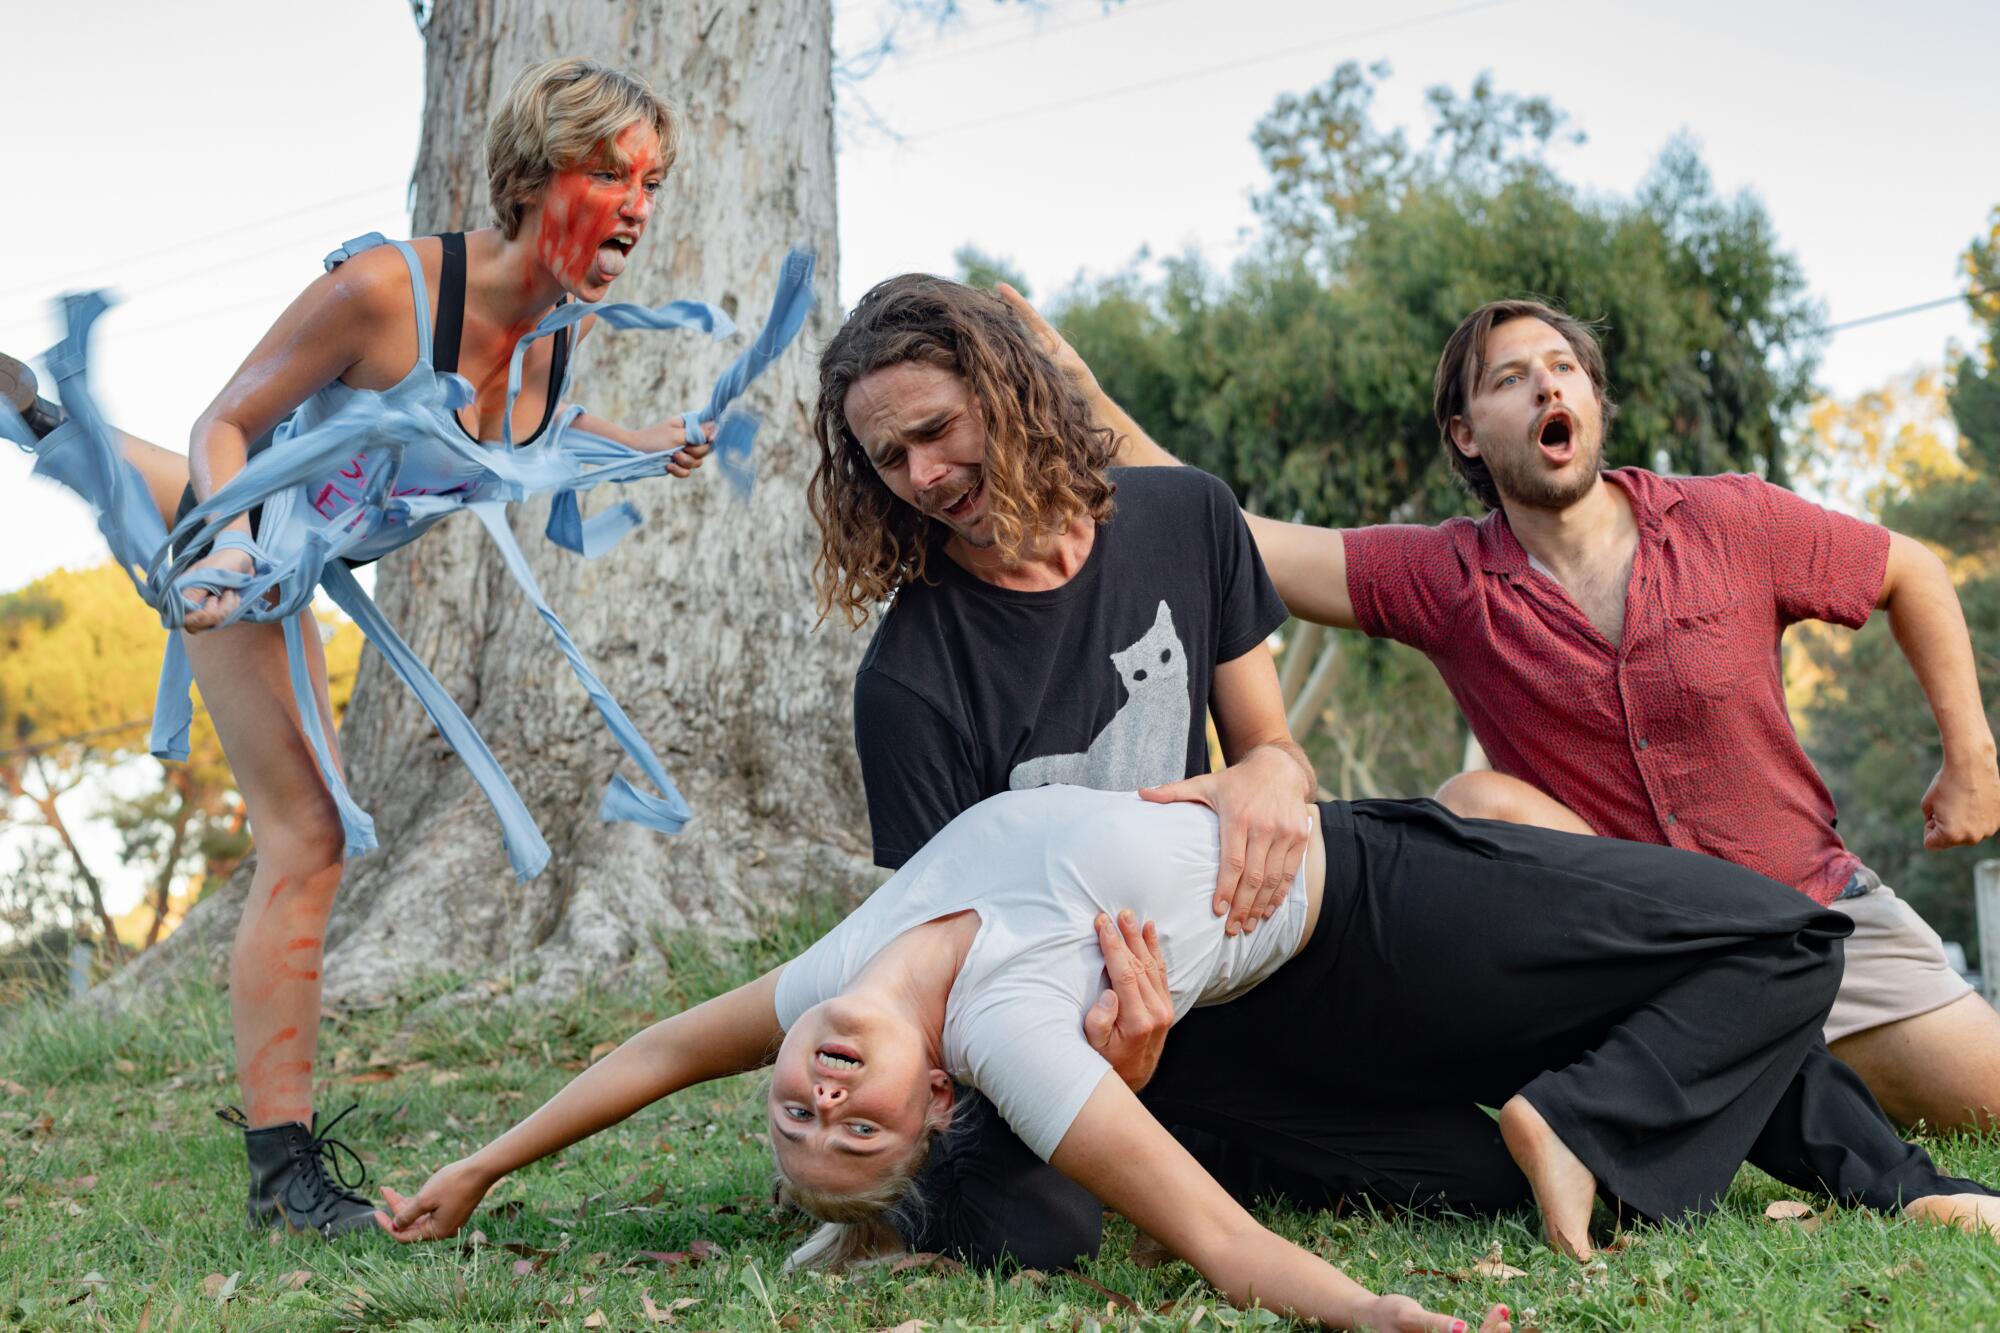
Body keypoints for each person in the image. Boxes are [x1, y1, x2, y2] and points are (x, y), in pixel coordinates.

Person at [0, 57, 806, 1239]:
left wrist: (641, 441)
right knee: (310, 836)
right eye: (609, 172)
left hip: (327, 524)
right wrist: (222, 551)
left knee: (136, 479)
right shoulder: (385, 291)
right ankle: (283, 1180)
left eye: (653, 181)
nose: (638, 202)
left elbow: (525, 430)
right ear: (536, 176)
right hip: (261, 537)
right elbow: (227, 422)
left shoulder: (557, 333)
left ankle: (47, 422)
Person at [380, 785, 2000, 1331]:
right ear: (936, 1095)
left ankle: (1893, 1179)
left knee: (1719, 962)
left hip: (1329, 926)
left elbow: (659, 1041)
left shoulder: (820, 974)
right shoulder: (1006, 1024)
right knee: (1777, 936)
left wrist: (480, 1163)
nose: (815, 1094)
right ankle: (1593, 1126)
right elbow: (1219, 1241)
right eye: (849, 1128)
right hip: (1364, 918)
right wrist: (1368, 1306)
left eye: (796, 1110)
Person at [1002, 288, 2000, 1136]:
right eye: (1509, 377)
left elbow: (1907, 570)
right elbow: (1238, 535)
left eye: (1560, 366)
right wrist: (1081, 399)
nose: (1545, 386)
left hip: (1807, 914)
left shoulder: (1731, 520)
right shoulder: (1445, 578)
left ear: (1591, 401)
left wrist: (1970, 752)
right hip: (1639, 961)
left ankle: (1747, 1094)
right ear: (1465, 432)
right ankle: (1665, 1091)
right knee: (1476, 799)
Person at [804, 273, 1315, 1267]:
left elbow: (1272, 748)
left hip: (1215, 973)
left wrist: (1273, 774)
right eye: (890, 458)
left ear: (1004, 387)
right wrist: (1101, 1059)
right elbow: (934, 966)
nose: (925, 474)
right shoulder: (907, 681)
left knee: (1427, 1158)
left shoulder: (1189, 517)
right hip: (1047, 1030)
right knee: (1034, 1231)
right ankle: (866, 1193)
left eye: (939, 429)